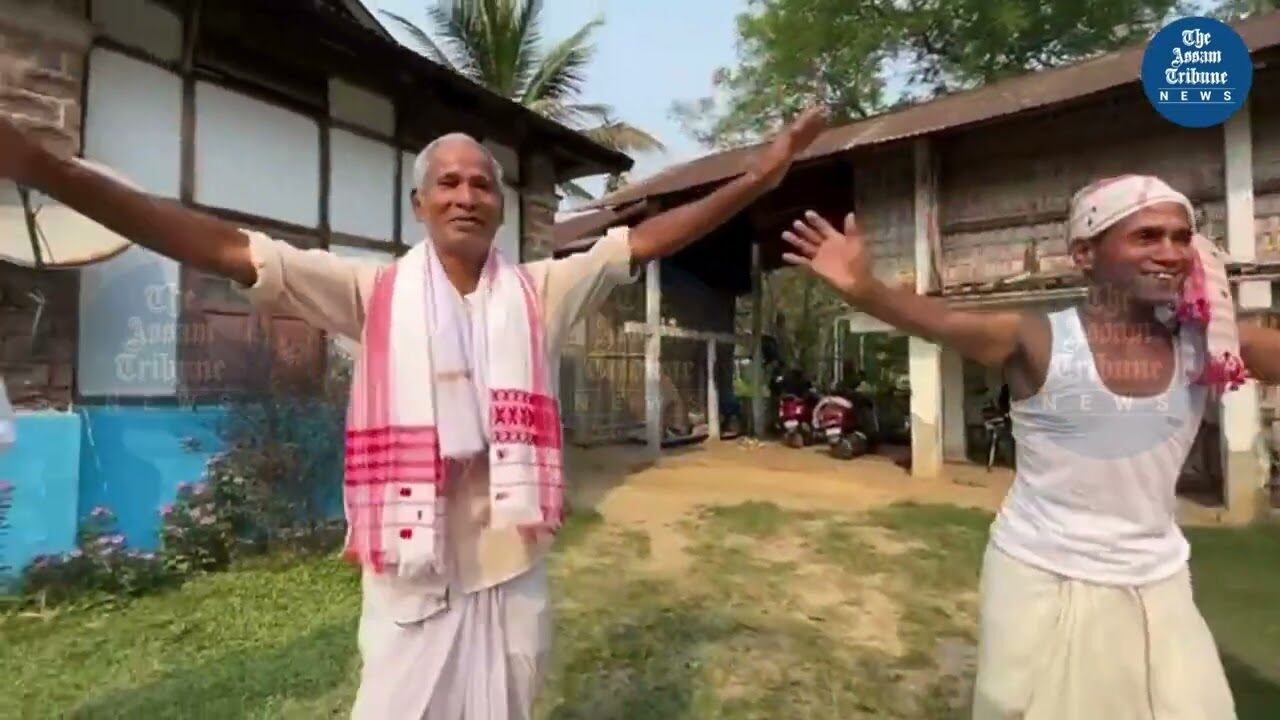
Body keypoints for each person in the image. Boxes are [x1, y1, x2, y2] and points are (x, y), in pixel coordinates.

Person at [0, 81, 826, 717]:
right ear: (420, 204)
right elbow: (226, 248)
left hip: (510, 569)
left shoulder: (542, 289)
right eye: (449, 182)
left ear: (499, 209)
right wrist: (47, 172)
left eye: (482, 185)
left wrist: (760, 174)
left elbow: (643, 241)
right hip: (411, 581)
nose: (467, 195)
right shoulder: (370, 293)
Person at [780, 174, 1280, 719]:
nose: (1171, 252)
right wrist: (865, 289)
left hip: (1156, 581)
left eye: (1182, 237)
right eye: (1147, 236)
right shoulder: (1037, 339)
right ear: (1085, 254)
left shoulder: (1209, 343)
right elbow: (943, 322)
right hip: (1042, 578)